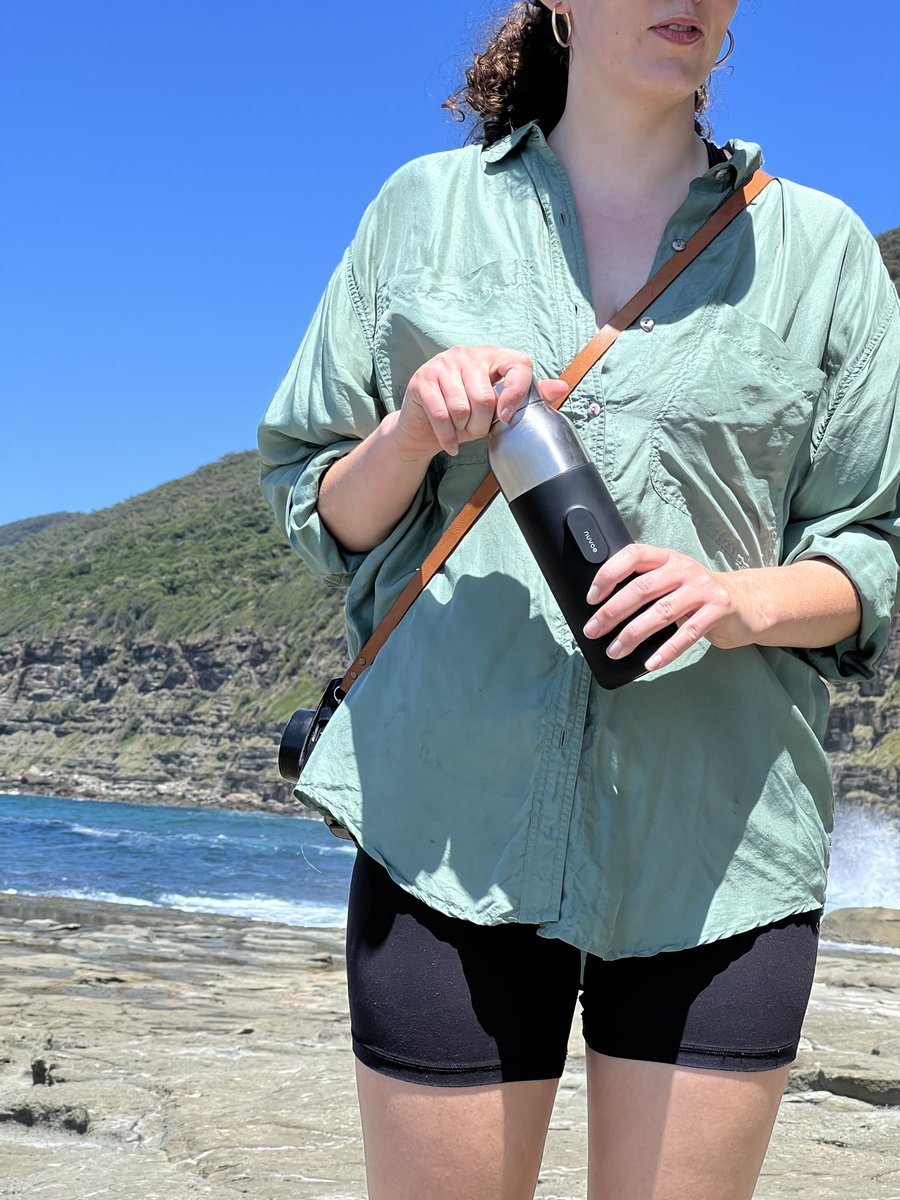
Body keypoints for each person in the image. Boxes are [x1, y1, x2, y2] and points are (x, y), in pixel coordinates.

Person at [257, 2, 900, 1196]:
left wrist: (737, 600)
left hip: (722, 848)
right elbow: (317, 506)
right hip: (445, 827)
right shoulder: (424, 212)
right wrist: (412, 428)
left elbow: (874, 550)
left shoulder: (820, 252)